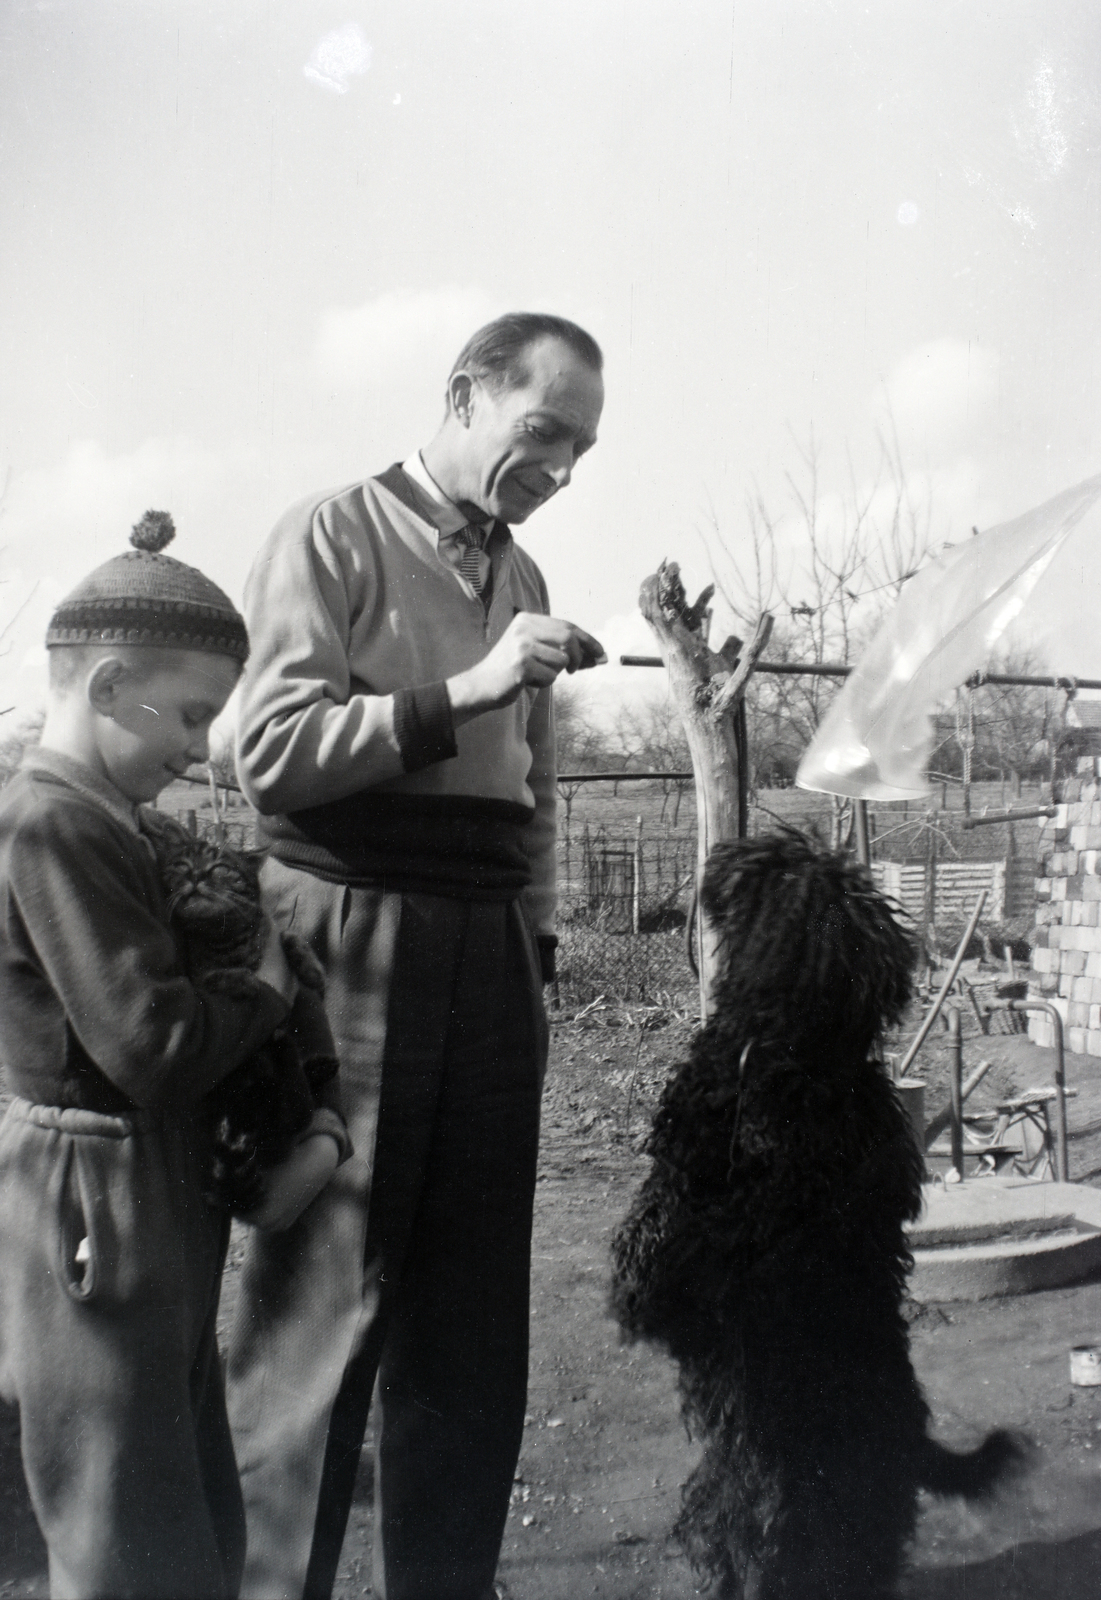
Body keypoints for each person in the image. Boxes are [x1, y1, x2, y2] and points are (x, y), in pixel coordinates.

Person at [226, 312, 606, 1600]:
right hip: (349, 936)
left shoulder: (529, 579)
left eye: (580, 449)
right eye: (541, 431)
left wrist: (538, 946)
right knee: (320, 1304)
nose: (559, 467)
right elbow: (264, 751)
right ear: (463, 395)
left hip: (491, 952)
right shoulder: (329, 533)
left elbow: (537, 792)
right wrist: (468, 690)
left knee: (471, 1317)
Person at [0, 514, 344, 1600]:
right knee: (118, 1512)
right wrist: (266, 990)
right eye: (190, 715)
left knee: (179, 1491)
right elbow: (149, 1043)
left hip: (146, 1177)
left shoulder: (110, 819)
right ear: (106, 686)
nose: (200, 749)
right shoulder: (52, 827)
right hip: (91, 1190)